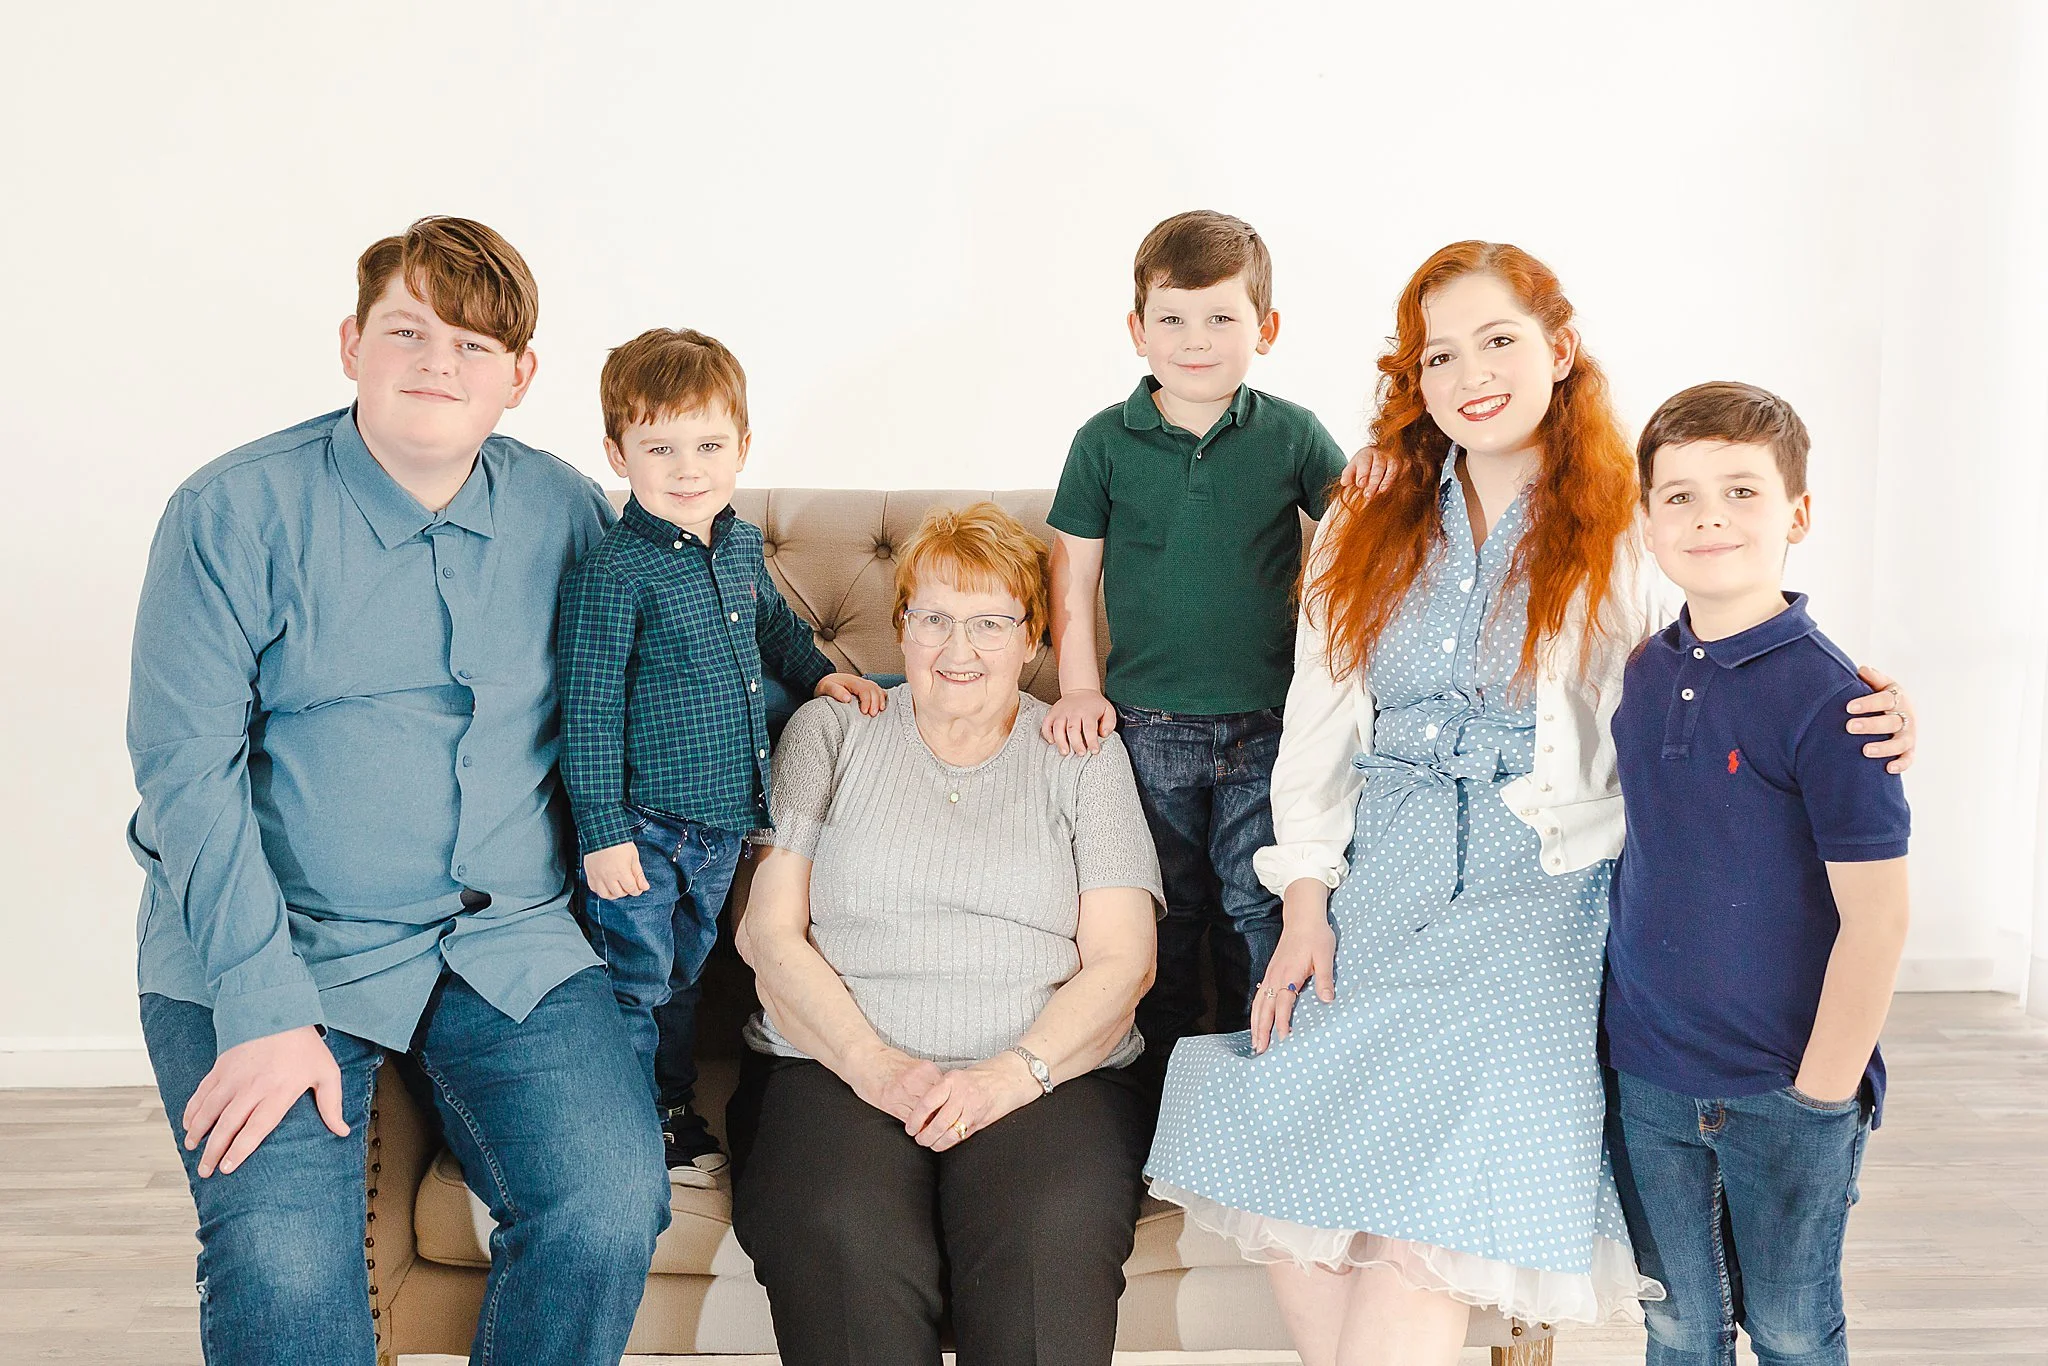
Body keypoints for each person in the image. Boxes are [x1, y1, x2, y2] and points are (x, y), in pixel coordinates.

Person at [1144, 242, 1917, 1366]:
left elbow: (1738, 630)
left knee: (1422, 1221)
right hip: (1377, 884)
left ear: (1558, 348)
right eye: (1438, 354)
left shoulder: (1623, 521)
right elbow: (1316, 723)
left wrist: (1876, 701)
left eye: (1498, 339)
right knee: (1297, 1193)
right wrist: (1303, 901)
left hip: (1536, 897)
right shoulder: (1363, 521)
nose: (1470, 374)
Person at [127, 217, 667, 1366]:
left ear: (520, 378)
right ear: (350, 344)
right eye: (408, 332)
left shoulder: (567, 510)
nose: (438, 362)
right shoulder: (228, 512)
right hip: (279, 947)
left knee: (611, 1201)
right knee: (279, 1259)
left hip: (508, 943)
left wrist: (872, 696)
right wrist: (262, 1002)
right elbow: (186, 775)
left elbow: (662, 675)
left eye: (474, 346)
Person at [727, 502, 1162, 1366]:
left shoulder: (1081, 750)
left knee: (1046, 1237)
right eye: (933, 619)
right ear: (902, 629)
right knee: (840, 1230)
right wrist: (875, 1067)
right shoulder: (831, 732)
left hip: (1048, 1075)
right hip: (835, 1067)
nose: (958, 649)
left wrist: (1013, 1075)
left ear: (1033, 639)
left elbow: (1124, 961)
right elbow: (768, 938)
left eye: (991, 623)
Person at [1605, 383, 1910, 1366]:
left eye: (1740, 491)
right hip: (1648, 1078)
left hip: (1785, 1090)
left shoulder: (1834, 701)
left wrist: (1817, 1096)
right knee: (1674, 1325)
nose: (1707, 517)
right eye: (1679, 495)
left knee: (1786, 1328)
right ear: (1644, 521)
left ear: (1797, 513)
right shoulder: (1642, 669)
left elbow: (1878, 920)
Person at [556, 327, 883, 1183]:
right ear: (617, 453)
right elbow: (587, 715)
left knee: (685, 981)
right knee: (632, 983)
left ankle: (667, 1106)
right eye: (659, 446)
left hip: (723, 827)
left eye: (708, 444)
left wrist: (820, 679)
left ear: (742, 446)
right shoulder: (614, 575)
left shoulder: (739, 545)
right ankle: (625, 1131)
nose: (687, 466)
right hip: (643, 828)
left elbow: (774, 626)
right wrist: (602, 833)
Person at [1042, 209, 1348, 1071]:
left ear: (1267, 329)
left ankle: (1264, 1073)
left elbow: (1367, 528)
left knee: (1255, 907)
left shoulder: (1291, 433)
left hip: (1269, 724)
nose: (1196, 340)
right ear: (1138, 330)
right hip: (1145, 726)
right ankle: (1160, 1082)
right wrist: (1076, 686)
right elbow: (1074, 577)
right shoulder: (1104, 442)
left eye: (1222, 319)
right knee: (1161, 912)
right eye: (1172, 319)